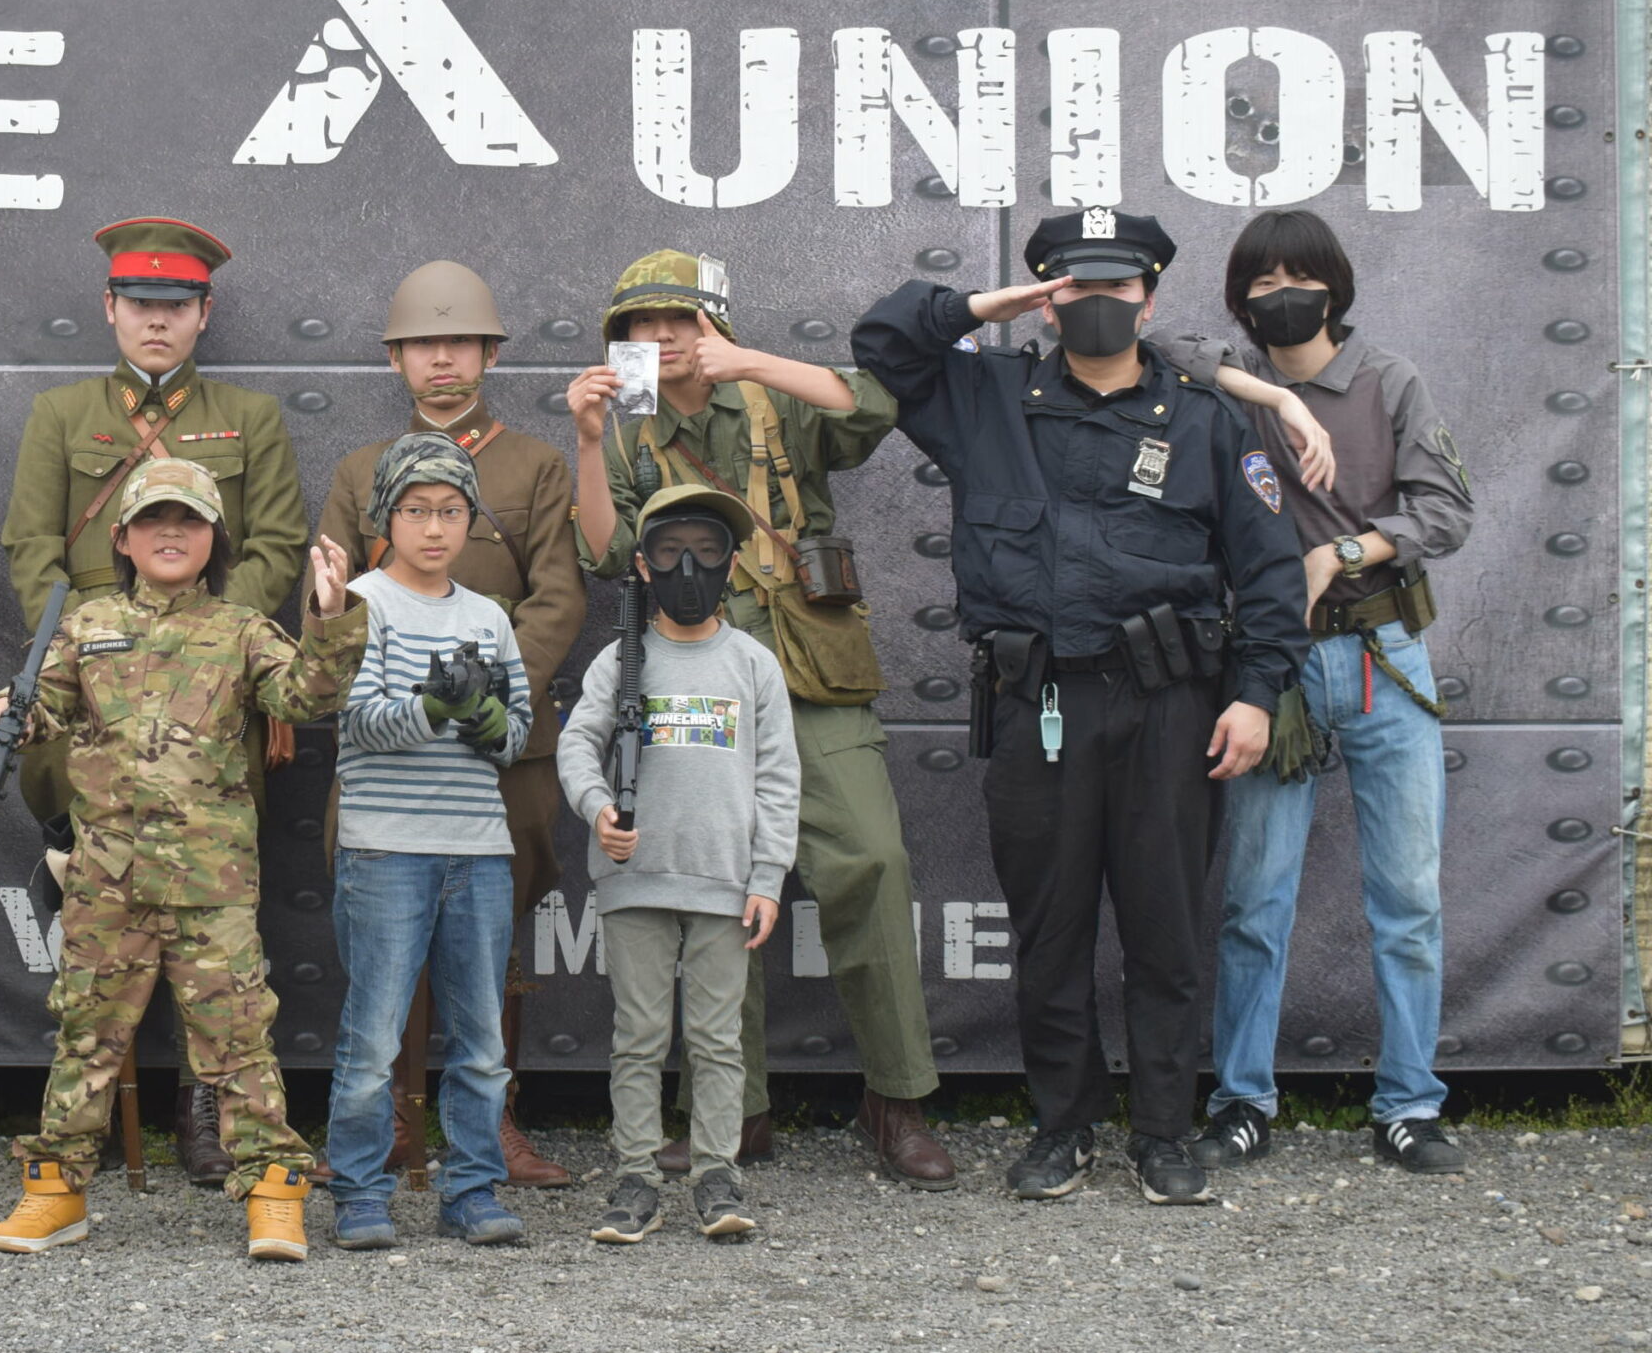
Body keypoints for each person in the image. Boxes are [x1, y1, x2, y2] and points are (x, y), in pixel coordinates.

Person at [852, 207, 1312, 1206]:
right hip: (1039, 703)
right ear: (1048, 301)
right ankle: (1062, 1127)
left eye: (1116, 286)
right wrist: (987, 306)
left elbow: (1272, 572)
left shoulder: (1206, 417)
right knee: (1051, 930)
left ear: (1149, 299)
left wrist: (1256, 697)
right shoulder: (985, 397)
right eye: (1076, 287)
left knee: (1165, 930)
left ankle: (1163, 1132)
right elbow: (881, 343)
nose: (1098, 302)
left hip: (1169, 707)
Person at [564, 251, 956, 1190]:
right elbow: (609, 553)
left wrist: (753, 364)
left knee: (871, 860)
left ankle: (896, 1097)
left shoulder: (773, 396)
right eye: (642, 325)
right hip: (693, 677)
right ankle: (732, 1113)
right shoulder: (627, 432)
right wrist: (584, 439)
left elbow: (872, 406)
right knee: (709, 883)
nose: (662, 338)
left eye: (680, 319)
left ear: (716, 323)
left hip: (809, 675)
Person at [1145, 210, 1474, 1176]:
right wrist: (1275, 397)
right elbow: (1158, 342)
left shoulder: (1389, 379)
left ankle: (1409, 1102)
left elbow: (1447, 507)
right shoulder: (1230, 388)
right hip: (1270, 671)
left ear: (1336, 286)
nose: (1281, 294)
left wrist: (1341, 552)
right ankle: (1243, 1099)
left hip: (1382, 658)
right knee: (1255, 897)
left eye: (1299, 277)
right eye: (1261, 282)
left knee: (1408, 896)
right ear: (1240, 299)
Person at [0, 459, 365, 1261]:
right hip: (107, 880)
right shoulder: (85, 625)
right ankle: (56, 1191)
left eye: (188, 520)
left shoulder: (242, 629)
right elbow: (39, 705)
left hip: (210, 882)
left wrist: (331, 616)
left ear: (214, 540)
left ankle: (273, 1193)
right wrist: (4, 712)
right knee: (85, 1033)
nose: (170, 533)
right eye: (153, 519)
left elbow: (307, 696)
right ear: (121, 538)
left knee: (238, 1037)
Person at [1, 217, 309, 1185]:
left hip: (212, 708)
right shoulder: (62, 414)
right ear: (110, 308)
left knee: (213, 919)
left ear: (204, 313)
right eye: (140, 303)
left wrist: (208, 648)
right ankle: (86, 1115)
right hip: (93, 703)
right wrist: (90, 651)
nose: (157, 321)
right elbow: (32, 547)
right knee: (104, 912)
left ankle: (206, 1105)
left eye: (176, 305)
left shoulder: (248, 416)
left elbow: (276, 544)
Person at [315, 259, 585, 1188]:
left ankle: (493, 1125)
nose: (442, 359)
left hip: (502, 748)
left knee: (491, 939)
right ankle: (394, 1121)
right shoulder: (360, 471)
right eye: (423, 344)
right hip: (384, 745)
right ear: (395, 359)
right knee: (383, 936)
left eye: (459, 342)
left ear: (491, 353)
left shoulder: (535, 464)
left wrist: (495, 694)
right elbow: (332, 602)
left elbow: (558, 595)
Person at [557, 486, 800, 1244]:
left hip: (725, 881)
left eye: (706, 550)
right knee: (637, 1033)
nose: (687, 568)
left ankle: (715, 1172)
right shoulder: (621, 660)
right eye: (668, 551)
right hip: (636, 880)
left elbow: (778, 777)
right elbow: (578, 742)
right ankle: (636, 1175)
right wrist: (598, 807)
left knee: (718, 1038)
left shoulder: (753, 663)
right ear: (642, 564)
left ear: (732, 562)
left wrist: (768, 877)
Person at [325, 434, 534, 1250]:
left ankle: (472, 1188)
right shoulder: (360, 602)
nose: (435, 527)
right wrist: (435, 707)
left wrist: (486, 721)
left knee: (482, 1039)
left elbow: (515, 735)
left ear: (470, 518)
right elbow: (357, 723)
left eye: (451, 510)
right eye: (417, 510)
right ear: (387, 515)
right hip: (384, 848)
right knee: (374, 1035)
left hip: (478, 848)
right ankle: (359, 1191)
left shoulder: (489, 615)